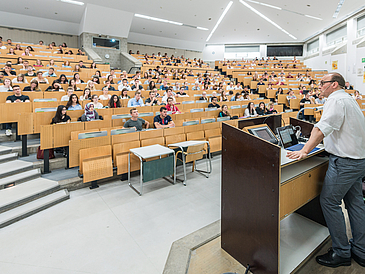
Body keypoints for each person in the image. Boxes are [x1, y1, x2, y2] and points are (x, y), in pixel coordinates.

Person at [287, 73, 365, 269]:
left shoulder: (336, 100)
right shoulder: (350, 99)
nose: (319, 86)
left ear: (334, 85)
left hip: (345, 163)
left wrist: (304, 150)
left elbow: (322, 128)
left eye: (323, 83)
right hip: (358, 161)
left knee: (329, 202)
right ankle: (361, 250)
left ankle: (341, 252)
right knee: (355, 204)